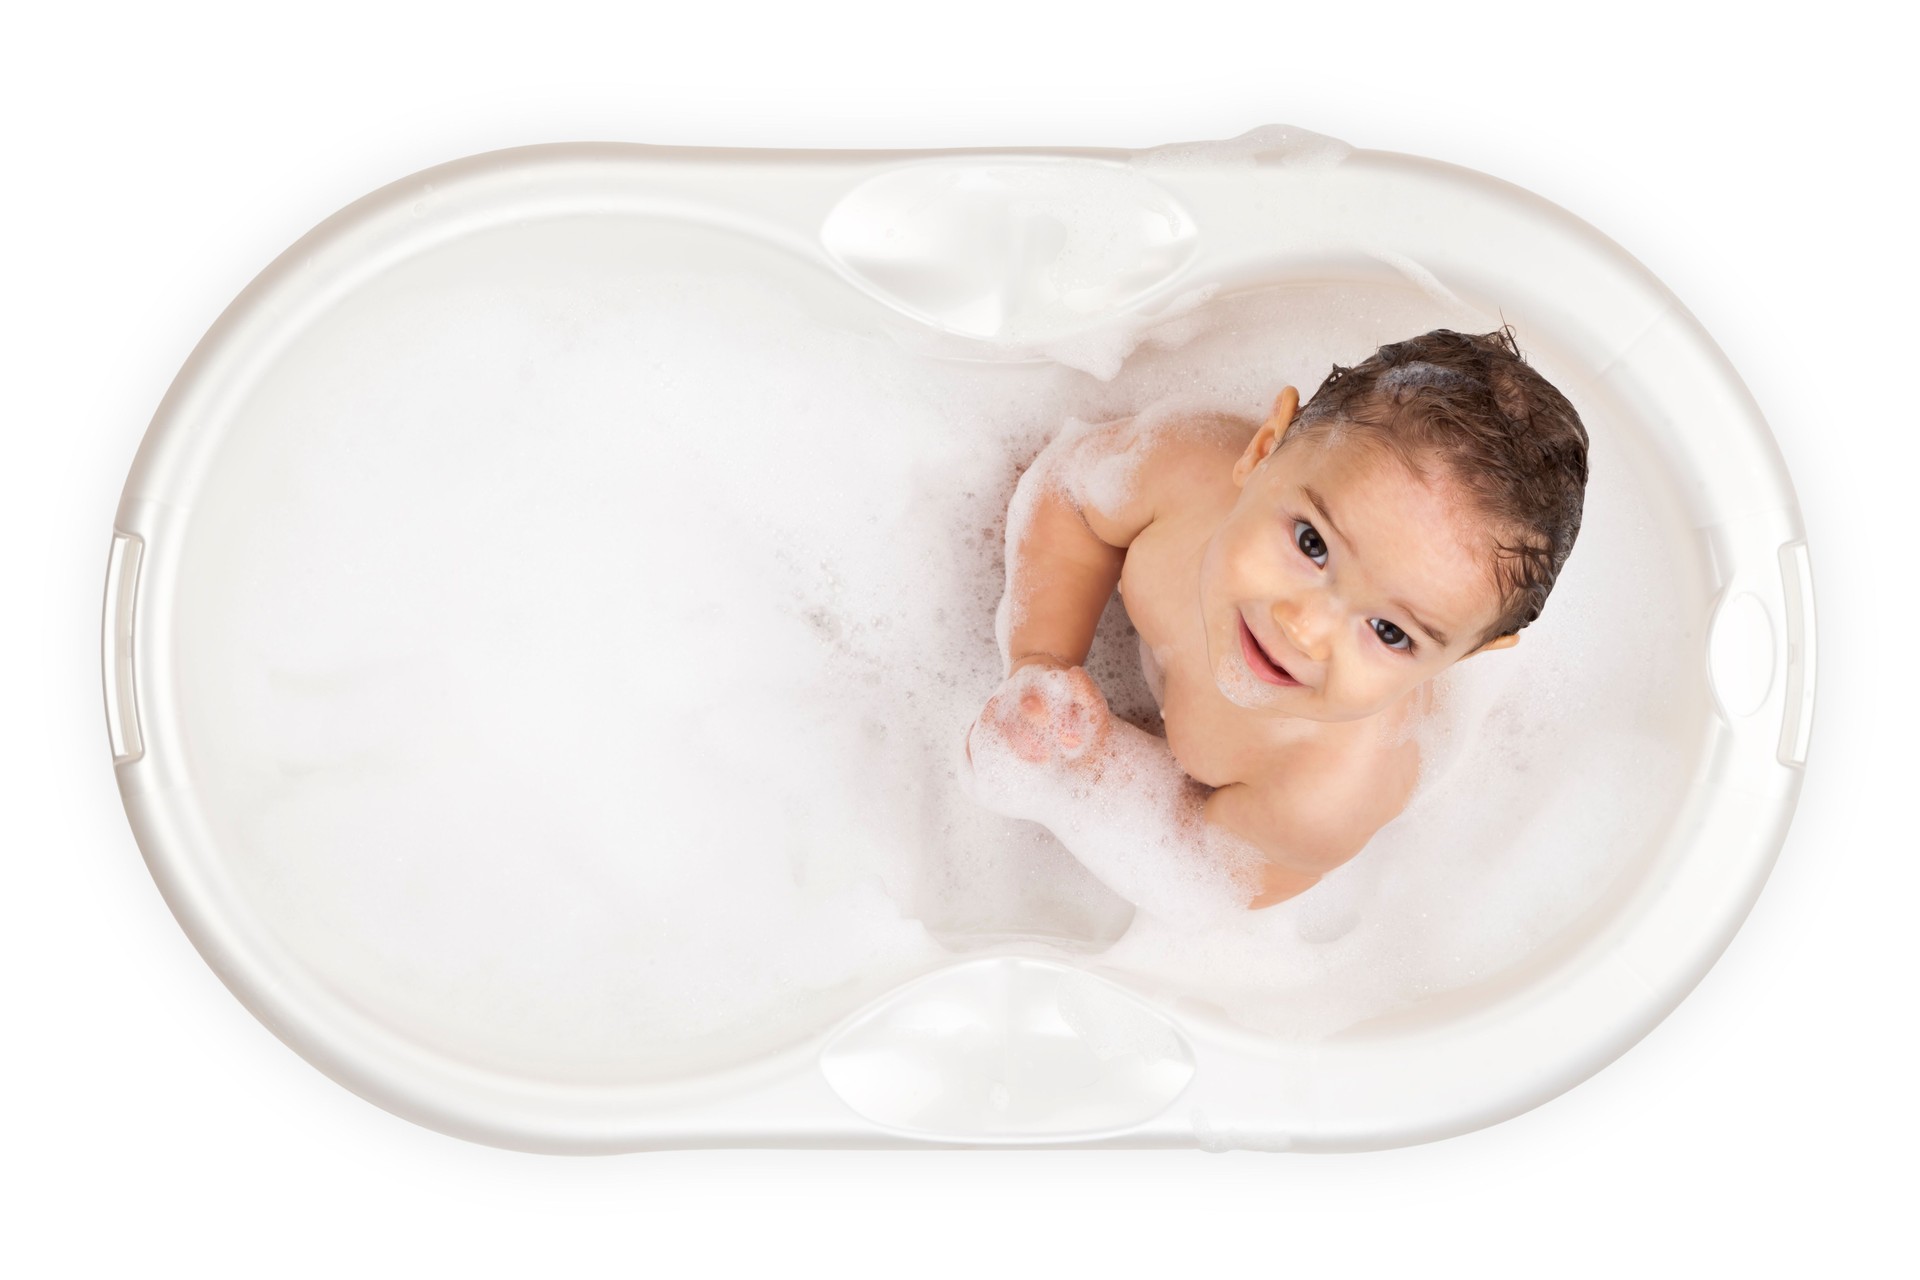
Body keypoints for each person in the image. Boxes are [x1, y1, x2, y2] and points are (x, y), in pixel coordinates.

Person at [962, 327, 1589, 914]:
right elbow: (1067, 497)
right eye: (1312, 545)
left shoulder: (1323, 796)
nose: (1303, 629)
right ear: (1263, 451)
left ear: (1460, 660)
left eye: (1390, 633)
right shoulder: (1184, 473)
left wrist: (1092, 766)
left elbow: (1207, 868)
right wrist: (1042, 657)